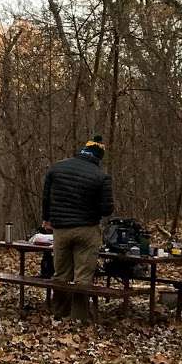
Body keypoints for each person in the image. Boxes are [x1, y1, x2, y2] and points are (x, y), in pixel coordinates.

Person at [41, 135, 114, 319]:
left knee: (61, 274)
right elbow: (107, 209)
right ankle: (78, 318)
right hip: (87, 230)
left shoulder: (57, 168)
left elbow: (46, 197)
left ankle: (59, 314)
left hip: (61, 230)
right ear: (98, 156)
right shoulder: (101, 176)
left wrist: (46, 218)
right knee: (83, 277)